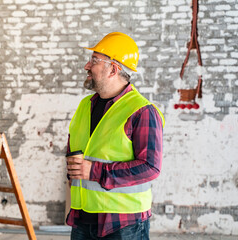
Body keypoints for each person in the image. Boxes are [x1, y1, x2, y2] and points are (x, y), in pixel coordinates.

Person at [65, 32, 165, 240]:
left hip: (123, 224)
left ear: (113, 68)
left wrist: (94, 171)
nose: (86, 66)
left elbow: (150, 167)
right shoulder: (85, 106)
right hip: (83, 217)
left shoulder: (142, 111)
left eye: (94, 60)